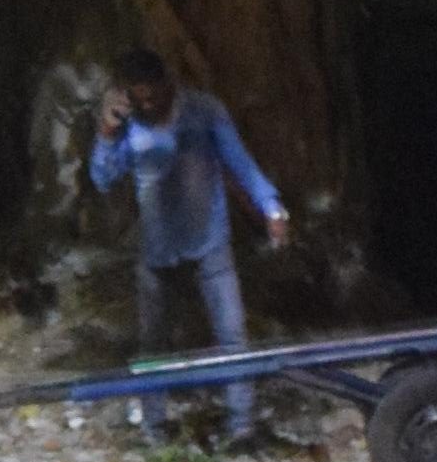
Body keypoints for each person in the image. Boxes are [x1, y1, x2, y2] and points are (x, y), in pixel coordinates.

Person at [87, 51, 289, 437]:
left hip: (210, 241)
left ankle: (242, 428)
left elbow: (238, 160)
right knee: (153, 344)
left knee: (232, 334)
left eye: (152, 97)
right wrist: (106, 134)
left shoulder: (203, 111)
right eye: (138, 98)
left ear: (169, 84)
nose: (146, 105)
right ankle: (154, 427)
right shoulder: (127, 124)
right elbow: (103, 179)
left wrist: (271, 206)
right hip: (157, 251)